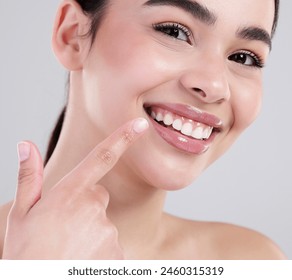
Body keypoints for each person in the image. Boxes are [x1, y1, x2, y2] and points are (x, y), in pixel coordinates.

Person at [0, 0, 286, 259]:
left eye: (244, 58)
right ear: (73, 36)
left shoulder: (255, 261)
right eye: (174, 32)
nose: (213, 86)